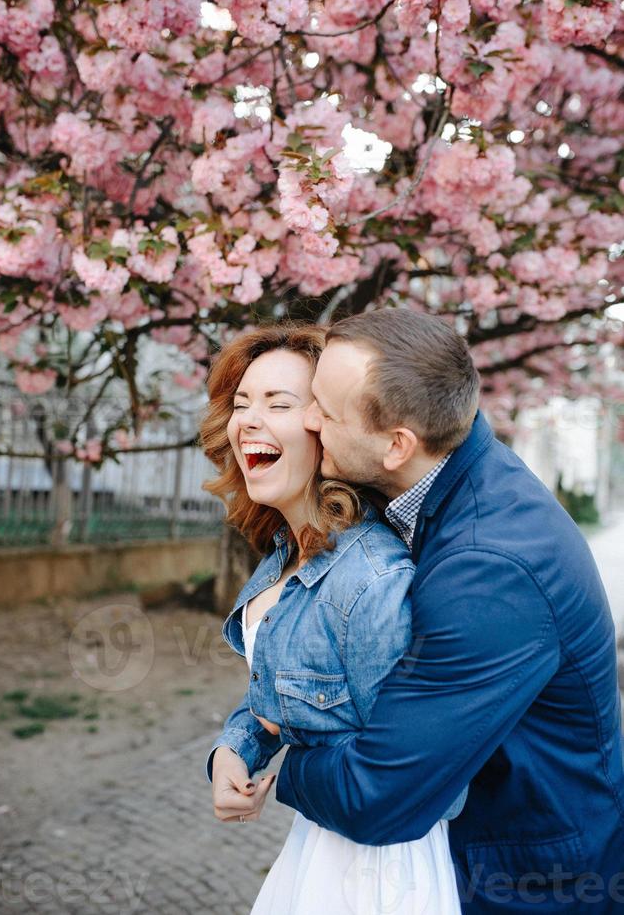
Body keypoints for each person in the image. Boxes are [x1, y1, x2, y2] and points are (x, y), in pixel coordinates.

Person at [265, 307, 624, 914]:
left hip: (527, 884)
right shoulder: (434, 482)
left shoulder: (491, 570)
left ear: (396, 444)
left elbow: (377, 796)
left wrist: (285, 765)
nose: (307, 420)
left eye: (323, 410)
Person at [201, 322, 466, 915]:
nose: (247, 420)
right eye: (242, 403)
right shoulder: (281, 557)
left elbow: (417, 778)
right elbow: (279, 692)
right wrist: (234, 750)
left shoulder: (371, 580)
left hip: (382, 873)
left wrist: (291, 768)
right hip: (317, 851)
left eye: (279, 403)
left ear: (325, 425)